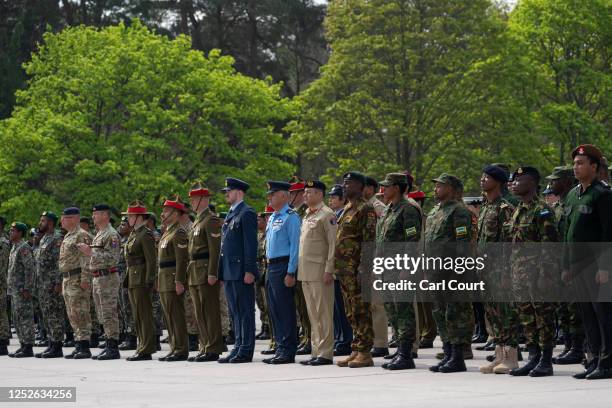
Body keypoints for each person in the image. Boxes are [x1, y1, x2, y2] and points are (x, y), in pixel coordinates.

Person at [563, 144, 612, 380]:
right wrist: (566, 265)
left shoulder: (603, 194)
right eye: (574, 163)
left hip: (596, 264)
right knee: (587, 315)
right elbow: (567, 233)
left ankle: (607, 362)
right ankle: (593, 359)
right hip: (578, 264)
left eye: (581, 163)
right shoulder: (573, 194)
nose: (576, 167)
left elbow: (608, 233)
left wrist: (605, 267)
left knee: (603, 314)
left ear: (594, 166)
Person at [506, 167, 559, 377]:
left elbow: (550, 245)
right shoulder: (519, 209)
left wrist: (545, 274)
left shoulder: (542, 210)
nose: (515, 183)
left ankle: (546, 360)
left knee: (543, 317)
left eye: (520, 179)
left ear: (532, 183)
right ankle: (533, 357)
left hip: (537, 274)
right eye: (514, 179)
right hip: (520, 274)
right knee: (526, 318)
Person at [426, 174, 474, 373]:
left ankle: (458, 356)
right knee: (439, 312)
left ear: (452, 188)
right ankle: (447, 352)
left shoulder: (459, 211)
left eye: (441, 185)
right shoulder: (435, 211)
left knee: (455, 313)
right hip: (434, 270)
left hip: (451, 270)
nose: (436, 188)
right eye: (436, 185)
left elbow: (463, 243)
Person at [475, 165, 518, 374]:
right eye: (482, 176)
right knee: (492, 315)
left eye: (488, 177)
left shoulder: (504, 208)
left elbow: (509, 244)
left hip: (500, 270)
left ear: (499, 182)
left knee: (505, 314)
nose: (483, 180)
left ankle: (511, 358)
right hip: (485, 269)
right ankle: (499, 356)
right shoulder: (485, 207)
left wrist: (507, 272)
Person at [377, 173, 422, 370]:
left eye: (386, 186)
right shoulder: (389, 209)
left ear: (397, 187)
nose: (383, 190)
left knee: (404, 310)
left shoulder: (408, 209)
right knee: (392, 310)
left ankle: (406, 353)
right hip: (387, 268)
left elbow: (412, 241)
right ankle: (399, 348)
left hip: (400, 267)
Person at [335, 171, 376, 368]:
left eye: (349, 183)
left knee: (361, 310)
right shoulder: (346, 209)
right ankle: (356, 348)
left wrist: (364, 268)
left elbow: (369, 241)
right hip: (344, 269)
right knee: (350, 310)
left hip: (357, 269)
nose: (345, 185)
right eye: (344, 182)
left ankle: (365, 352)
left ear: (360, 187)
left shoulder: (365, 209)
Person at [546, 166, 585, 365]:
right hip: (558, 263)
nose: (552, 184)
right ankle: (569, 345)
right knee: (562, 308)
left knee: (574, 308)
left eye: (556, 180)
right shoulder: (558, 206)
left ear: (568, 181)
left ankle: (578, 348)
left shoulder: (574, 202)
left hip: (573, 263)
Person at [218, 177, 258, 364]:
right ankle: (238, 346)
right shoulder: (231, 213)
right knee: (235, 312)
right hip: (229, 271)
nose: (226, 194)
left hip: (241, 270)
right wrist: (221, 272)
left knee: (245, 311)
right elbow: (224, 247)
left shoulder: (247, 213)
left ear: (239, 192)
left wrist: (249, 270)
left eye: (229, 190)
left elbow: (250, 245)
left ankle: (246, 349)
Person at [298, 180, 337, 366]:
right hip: (306, 272)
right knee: (312, 314)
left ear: (320, 194)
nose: (305, 195)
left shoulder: (327, 214)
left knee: (323, 314)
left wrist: (330, 270)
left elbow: (332, 244)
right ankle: (316, 350)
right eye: (305, 192)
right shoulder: (306, 215)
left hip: (321, 272)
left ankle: (326, 353)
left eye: (310, 192)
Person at [263, 181, 301, 364]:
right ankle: (279, 346)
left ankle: (288, 350)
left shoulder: (291, 216)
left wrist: (291, 272)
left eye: (273, 194)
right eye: (269, 194)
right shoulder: (272, 217)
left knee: (285, 310)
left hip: (283, 266)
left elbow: (295, 246)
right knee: (274, 310)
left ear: (285, 195)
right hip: (271, 267)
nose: (269, 197)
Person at [78, 204, 123, 360]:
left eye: (96, 214)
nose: (93, 217)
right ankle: (108, 342)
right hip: (98, 277)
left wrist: (90, 252)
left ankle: (113, 347)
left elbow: (113, 258)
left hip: (108, 277)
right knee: (101, 313)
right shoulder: (99, 234)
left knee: (109, 312)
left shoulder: (111, 234)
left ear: (105, 215)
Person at [187, 183, 224, 362]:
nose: (192, 203)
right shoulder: (198, 220)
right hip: (195, 269)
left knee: (209, 310)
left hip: (204, 269)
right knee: (199, 311)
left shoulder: (211, 220)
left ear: (203, 199)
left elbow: (215, 249)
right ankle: (204, 345)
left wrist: (212, 272)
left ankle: (213, 346)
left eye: (194, 199)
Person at [123, 201, 158, 361]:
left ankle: (147, 348)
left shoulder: (146, 234)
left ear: (138, 217)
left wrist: (149, 280)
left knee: (144, 314)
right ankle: (141, 345)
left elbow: (151, 260)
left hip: (142, 279)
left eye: (130, 216)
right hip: (133, 277)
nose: (128, 218)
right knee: (137, 314)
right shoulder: (134, 233)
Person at [157, 197, 190, 362]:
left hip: (172, 278)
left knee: (176, 315)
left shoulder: (179, 232)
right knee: (168, 315)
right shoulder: (168, 231)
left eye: (166, 210)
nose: (162, 213)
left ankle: (181, 349)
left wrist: (179, 280)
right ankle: (174, 347)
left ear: (175, 213)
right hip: (164, 277)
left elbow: (182, 259)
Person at [364, 176, 390, 358]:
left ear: (371, 189)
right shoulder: (362, 207)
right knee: (370, 303)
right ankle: (373, 340)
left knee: (378, 303)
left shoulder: (378, 207)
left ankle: (381, 342)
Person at [33, 211, 65, 358]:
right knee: (46, 314)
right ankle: (51, 343)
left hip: (52, 284)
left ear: (50, 223)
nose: (40, 223)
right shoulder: (44, 238)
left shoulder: (57, 238)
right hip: (42, 283)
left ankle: (57, 346)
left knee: (54, 314)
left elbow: (59, 262)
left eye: (43, 221)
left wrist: (58, 282)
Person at [288, 178, 312, 356]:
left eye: (291, 193)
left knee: (307, 304)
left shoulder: (304, 213)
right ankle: (306, 336)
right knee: (300, 304)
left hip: (307, 264)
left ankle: (311, 338)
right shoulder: (294, 213)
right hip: (298, 264)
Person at [7, 222, 36, 358]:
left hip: (22, 290)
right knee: (17, 318)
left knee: (25, 318)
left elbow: (29, 269)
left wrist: (27, 288)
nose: (10, 232)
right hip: (14, 290)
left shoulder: (24, 248)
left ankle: (28, 346)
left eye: (13, 230)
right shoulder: (14, 247)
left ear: (19, 233)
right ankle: (23, 344)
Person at [0, 217, 10, 356]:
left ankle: (2, 344)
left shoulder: (2, 243)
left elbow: (2, 266)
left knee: (1, 314)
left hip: (1, 284)